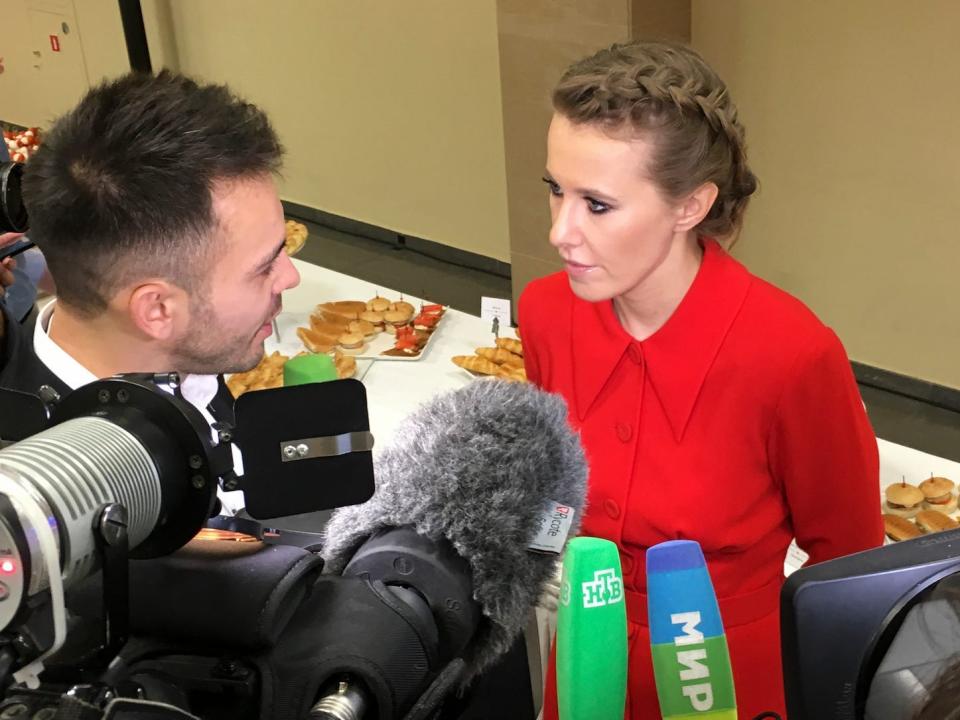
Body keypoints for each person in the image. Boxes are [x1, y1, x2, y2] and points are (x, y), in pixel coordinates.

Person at [518, 41, 883, 718]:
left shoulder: (791, 355)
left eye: (597, 205)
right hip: (581, 663)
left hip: (730, 685)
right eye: (555, 191)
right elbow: (555, 488)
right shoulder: (543, 313)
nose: (560, 231)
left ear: (691, 206)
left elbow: (849, 564)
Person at [0, 71, 300, 510]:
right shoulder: (43, 513)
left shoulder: (183, 353)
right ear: (156, 310)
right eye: (263, 267)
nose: (290, 276)